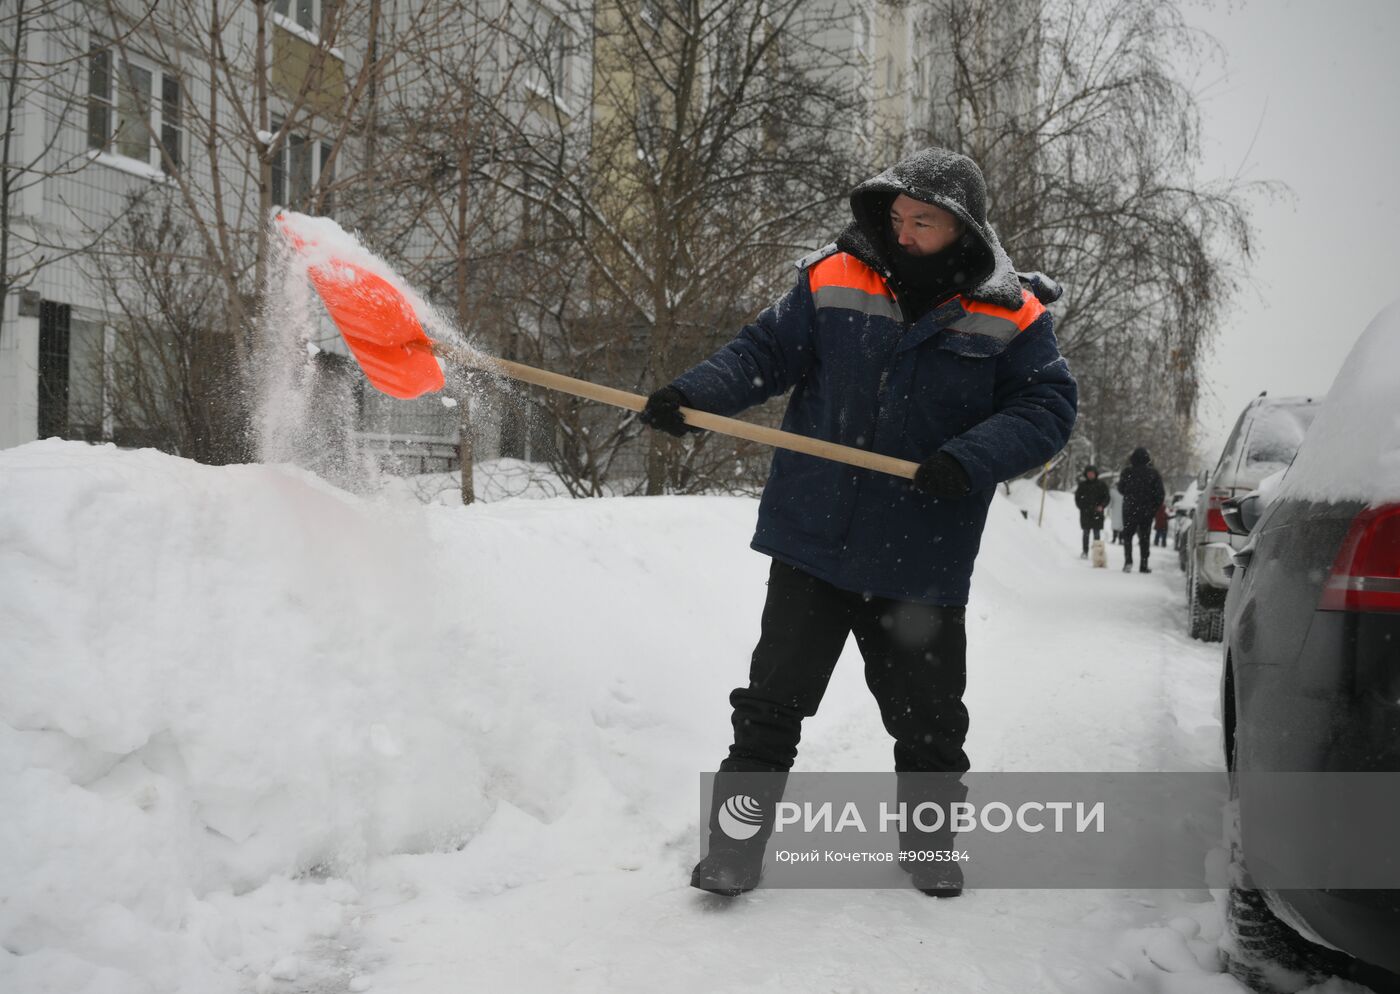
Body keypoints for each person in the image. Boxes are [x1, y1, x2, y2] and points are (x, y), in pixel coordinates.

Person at [639, 147, 1077, 898]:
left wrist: (968, 457)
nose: (903, 234)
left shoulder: (1012, 315)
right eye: (897, 219)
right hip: (815, 538)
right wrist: (693, 397)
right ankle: (734, 851)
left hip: (920, 554)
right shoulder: (833, 277)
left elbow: (1046, 410)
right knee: (771, 705)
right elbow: (763, 353)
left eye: (924, 223)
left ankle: (930, 847)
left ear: (963, 232)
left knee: (930, 723)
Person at [1117, 447, 1165, 573]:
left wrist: (1130, 496)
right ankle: (1143, 565)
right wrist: (1153, 508)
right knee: (1144, 538)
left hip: (1129, 509)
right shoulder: (1153, 474)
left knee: (1128, 536)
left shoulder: (1127, 472)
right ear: (1147, 459)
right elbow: (1160, 494)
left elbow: (1121, 489)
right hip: (1146, 511)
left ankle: (1128, 562)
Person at [1073, 465, 1109, 558]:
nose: (1090, 475)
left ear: (1095, 474)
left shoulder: (1102, 485)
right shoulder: (1082, 485)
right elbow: (1077, 498)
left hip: (1097, 513)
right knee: (1086, 533)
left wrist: (1102, 506)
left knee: (1096, 534)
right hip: (1085, 513)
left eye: (1092, 473)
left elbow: (1107, 497)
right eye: (1088, 473)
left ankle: (1097, 553)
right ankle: (1085, 552)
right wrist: (1081, 507)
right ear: (1086, 474)